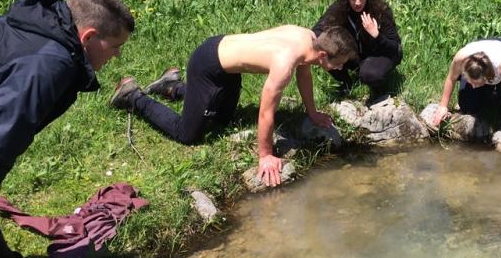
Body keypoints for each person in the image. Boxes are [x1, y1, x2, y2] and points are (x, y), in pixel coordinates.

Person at [0, 0, 134, 258]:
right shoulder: (50, 64)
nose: (117, 57)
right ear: (88, 37)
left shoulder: (40, 33)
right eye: (115, 46)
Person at [110, 25, 357, 187]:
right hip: (207, 66)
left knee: (222, 120)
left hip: (228, 67)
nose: (341, 68)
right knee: (187, 133)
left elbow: (305, 75)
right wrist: (265, 155)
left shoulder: (308, 39)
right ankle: (133, 96)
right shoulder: (285, 64)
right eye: (340, 63)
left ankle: (172, 86)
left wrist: (312, 113)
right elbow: (266, 111)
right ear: (324, 56)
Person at [429, 38, 501, 151]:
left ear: (488, 78)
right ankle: (487, 94)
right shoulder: (461, 58)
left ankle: (497, 91)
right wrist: (443, 106)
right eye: (469, 81)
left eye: (475, 83)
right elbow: (451, 78)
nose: (472, 86)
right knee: (468, 106)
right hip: (479, 58)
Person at [313, 0, 402, 99]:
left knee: (370, 75)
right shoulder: (339, 9)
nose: (358, 2)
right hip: (354, 56)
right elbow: (317, 31)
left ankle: (379, 89)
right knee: (324, 50)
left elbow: (395, 48)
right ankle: (346, 83)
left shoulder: (380, 10)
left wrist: (376, 35)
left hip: (380, 53)